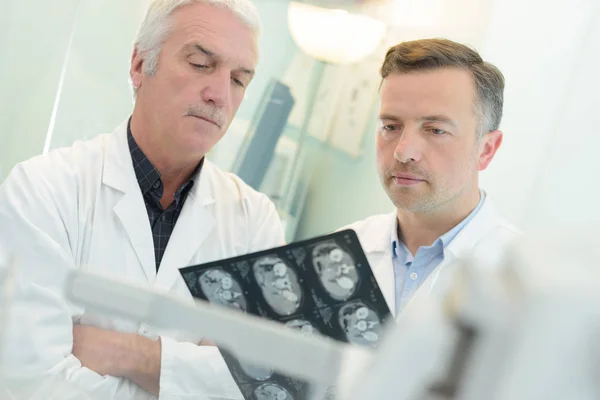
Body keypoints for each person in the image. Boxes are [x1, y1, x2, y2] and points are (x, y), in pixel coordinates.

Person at [0, 0, 284, 399]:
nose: (219, 94)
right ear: (139, 65)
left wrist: (128, 354)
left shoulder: (255, 223)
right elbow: (33, 379)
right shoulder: (43, 190)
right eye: (201, 64)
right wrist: (192, 373)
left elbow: (259, 386)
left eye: (239, 80)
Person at [343, 38, 520, 319]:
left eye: (435, 130)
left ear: (486, 150)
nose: (403, 151)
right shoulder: (343, 249)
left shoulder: (519, 283)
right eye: (390, 126)